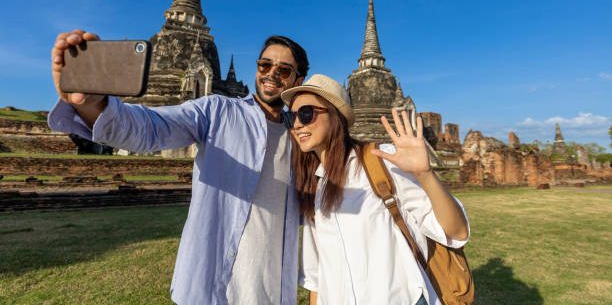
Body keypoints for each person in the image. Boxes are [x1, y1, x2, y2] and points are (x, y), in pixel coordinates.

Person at [48, 29, 309, 305]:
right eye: (265, 65)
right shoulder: (216, 111)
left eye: (283, 70)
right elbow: (150, 129)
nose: (271, 74)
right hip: (212, 286)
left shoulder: (302, 137)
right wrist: (93, 103)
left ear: (298, 80)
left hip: (271, 288)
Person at [280, 74, 470, 305]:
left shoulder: (381, 162)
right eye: (290, 117)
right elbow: (316, 276)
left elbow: (455, 232)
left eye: (306, 114)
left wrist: (425, 174)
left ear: (335, 116)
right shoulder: (315, 186)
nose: (297, 124)